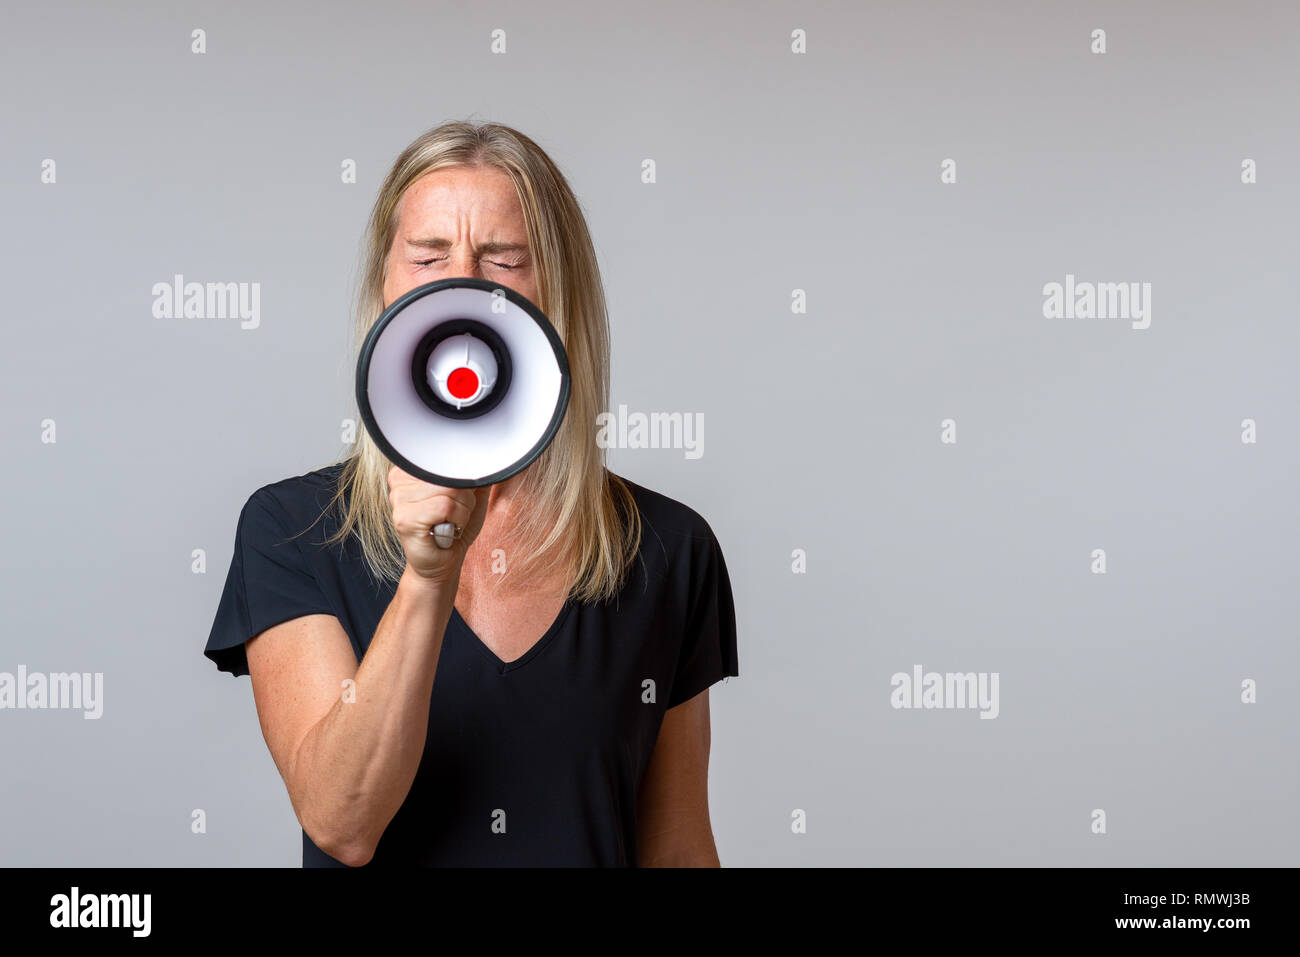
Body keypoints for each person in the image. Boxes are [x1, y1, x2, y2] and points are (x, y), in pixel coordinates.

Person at [203, 120, 739, 867]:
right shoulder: (291, 531)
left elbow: (678, 848)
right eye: (427, 255)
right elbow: (343, 820)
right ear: (383, 285)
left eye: (505, 258)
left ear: (557, 291)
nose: (463, 281)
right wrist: (430, 574)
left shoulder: (667, 548)